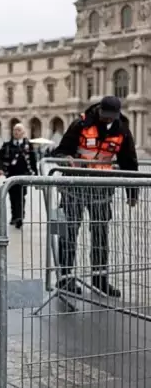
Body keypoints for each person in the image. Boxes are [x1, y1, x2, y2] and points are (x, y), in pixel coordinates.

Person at [53, 95, 137, 298]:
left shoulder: (122, 130)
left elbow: (129, 162)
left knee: (100, 235)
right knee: (68, 233)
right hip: (74, 187)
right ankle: (65, 278)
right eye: (105, 115)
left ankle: (100, 280)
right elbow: (60, 151)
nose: (107, 119)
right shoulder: (81, 124)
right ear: (99, 110)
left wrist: (133, 192)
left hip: (101, 190)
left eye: (111, 116)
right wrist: (65, 159)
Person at [0, 123, 37, 229]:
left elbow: (33, 160)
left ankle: (20, 217)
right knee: (12, 195)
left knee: (21, 195)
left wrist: (36, 175)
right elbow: (0, 158)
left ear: (23, 132)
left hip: (24, 174)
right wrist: (0, 168)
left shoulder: (28, 145)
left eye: (19, 130)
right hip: (10, 174)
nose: (16, 132)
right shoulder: (7, 145)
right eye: (15, 130)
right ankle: (14, 216)